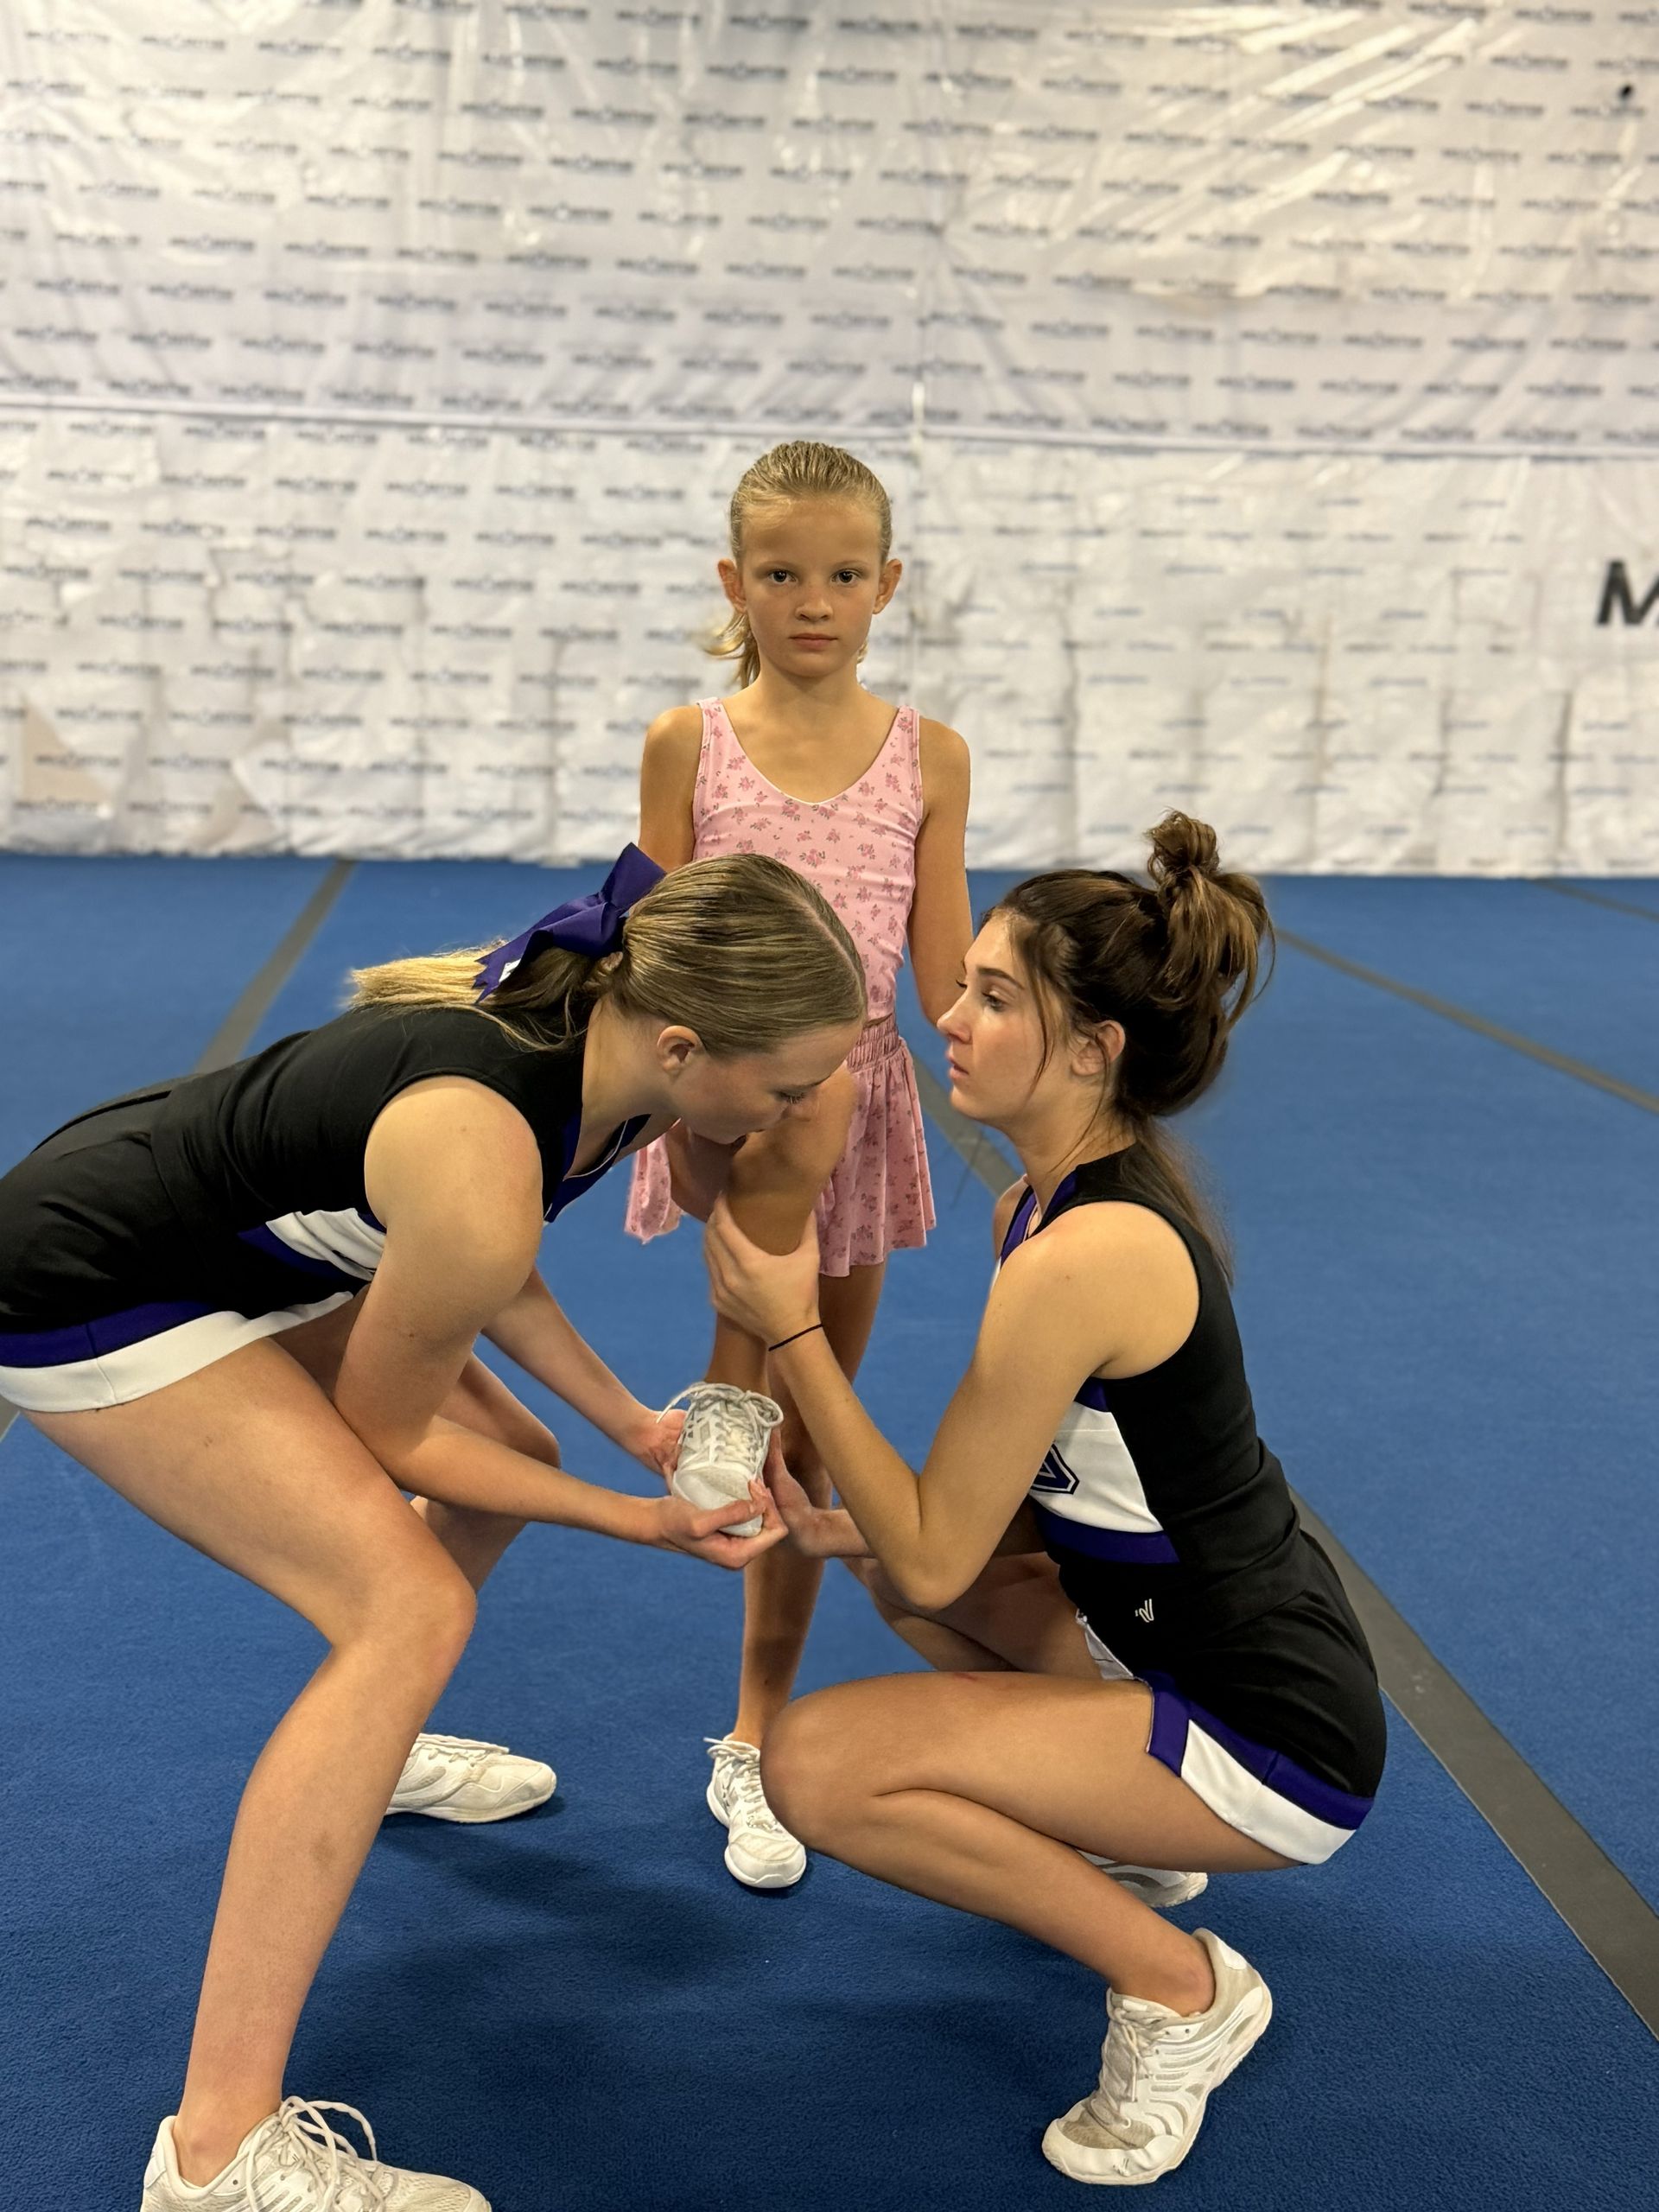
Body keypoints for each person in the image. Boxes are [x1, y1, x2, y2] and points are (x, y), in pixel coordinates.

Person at [0, 848, 866, 2212]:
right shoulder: (491, 1140)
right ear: (692, 1047)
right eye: (788, 1086)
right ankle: (217, 2153)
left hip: (240, 1232)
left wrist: (628, 1418)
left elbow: (484, 1256)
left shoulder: (611, 1056)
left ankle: (373, 1747)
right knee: (405, 1610)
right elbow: (402, 1411)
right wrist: (640, 1520)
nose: (802, 1110)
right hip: (94, 1273)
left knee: (502, 1456)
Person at [702, 815, 1387, 2187]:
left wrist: (787, 1332)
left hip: (1275, 1735)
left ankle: (1183, 1990)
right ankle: (1126, 1834)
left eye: (995, 997)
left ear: (1095, 1048)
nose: (946, 1014)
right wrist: (860, 1534)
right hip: (1173, 1641)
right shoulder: (1050, 1203)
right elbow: (1035, 1502)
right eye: (963, 983)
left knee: (817, 1765)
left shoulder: (1088, 1253)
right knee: (890, 1569)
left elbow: (945, 1551)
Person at [626, 438, 973, 1891]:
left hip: (864, 1106)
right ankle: (723, 1411)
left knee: (811, 1428)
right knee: (753, 1400)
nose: (813, 599)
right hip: (728, 1108)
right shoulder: (688, 743)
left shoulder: (927, 755)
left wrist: (1064, 1063)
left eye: (843, 574)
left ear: (888, 585)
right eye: (782, 573)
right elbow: (646, 950)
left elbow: (948, 972)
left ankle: (761, 1726)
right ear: (735, 583)